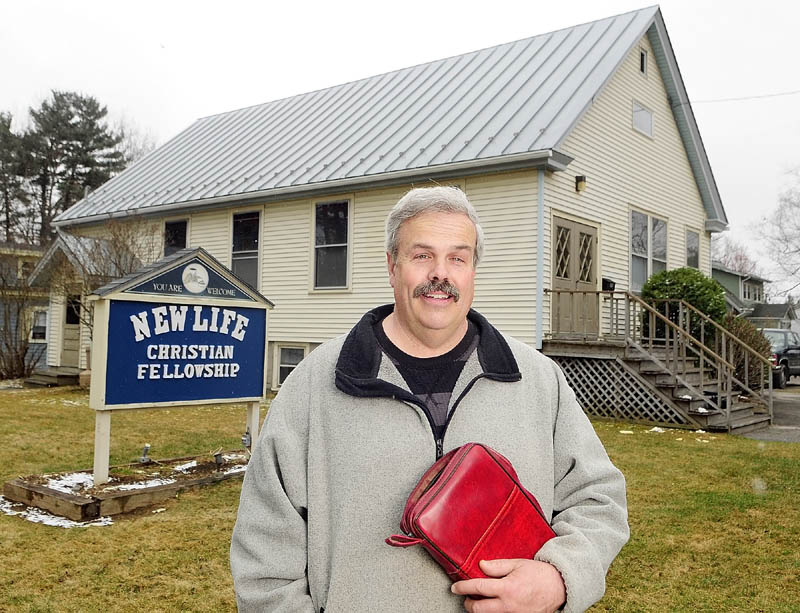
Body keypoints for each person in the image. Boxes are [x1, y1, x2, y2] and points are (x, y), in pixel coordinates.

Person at [231, 185, 629, 613]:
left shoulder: (537, 380)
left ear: (473, 269)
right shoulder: (314, 385)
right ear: (392, 265)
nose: (441, 273)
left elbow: (598, 500)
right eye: (422, 255)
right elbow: (265, 556)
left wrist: (558, 578)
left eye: (458, 258)